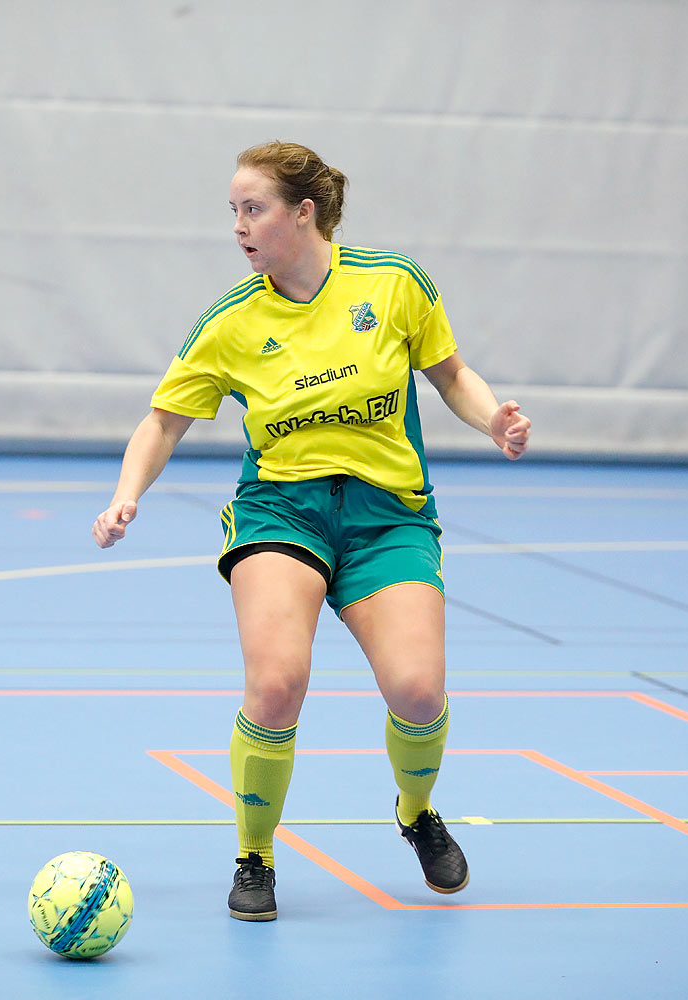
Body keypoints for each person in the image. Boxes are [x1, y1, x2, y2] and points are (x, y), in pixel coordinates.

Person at [92, 141, 531, 921]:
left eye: (252, 208)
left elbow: (452, 375)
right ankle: (254, 854)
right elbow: (159, 425)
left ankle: (415, 812)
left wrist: (490, 416)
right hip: (282, 513)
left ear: (305, 213)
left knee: (418, 691)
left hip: (386, 516)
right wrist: (127, 495)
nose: (238, 226)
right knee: (275, 684)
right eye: (232, 211)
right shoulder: (232, 322)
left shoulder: (393, 286)